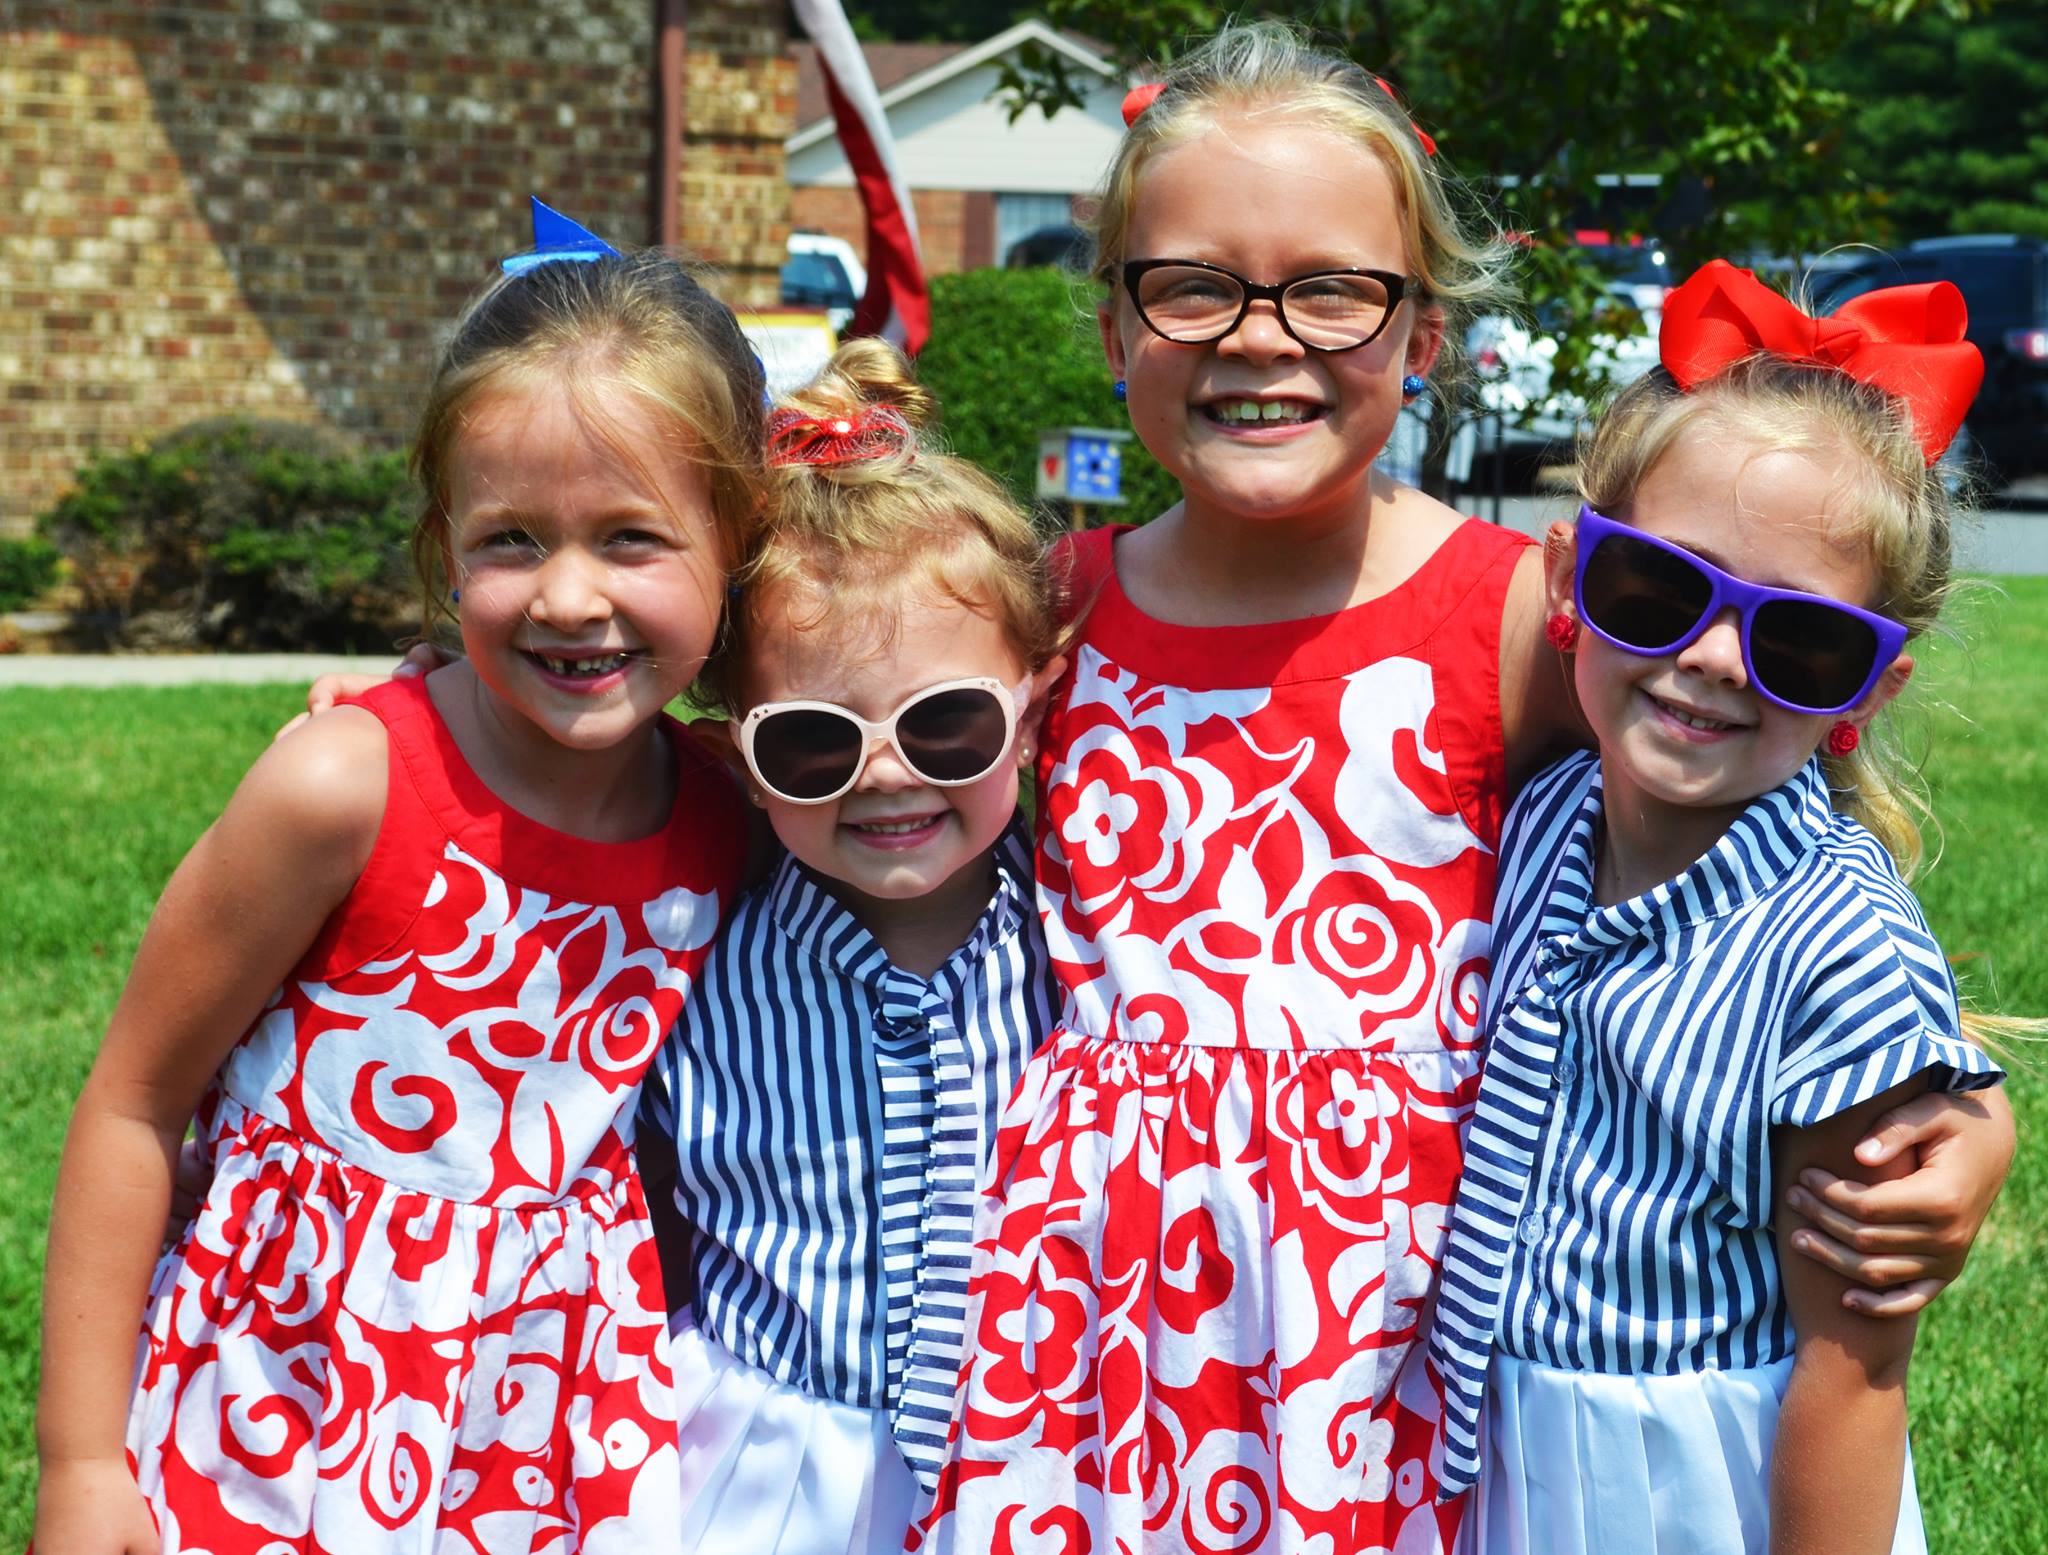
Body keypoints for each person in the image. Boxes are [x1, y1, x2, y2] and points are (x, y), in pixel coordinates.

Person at [914, 26, 2017, 1554]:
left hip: (1392, 1353)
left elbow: (1749, 878)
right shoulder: (1046, 612)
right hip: (1100, 1334)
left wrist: (1952, 1112)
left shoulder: (1519, 619)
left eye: (1332, 289)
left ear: (1422, 334)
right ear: (1114, 321)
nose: (1259, 337)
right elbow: (845, 816)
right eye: (1193, 285)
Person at [33, 238, 766, 1552]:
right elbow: (133, 1101)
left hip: (546, 1423)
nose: (568, 596)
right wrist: (83, 1461)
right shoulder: (342, 786)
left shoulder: (730, 816)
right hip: (279, 1397)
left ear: (740, 536)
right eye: (511, 540)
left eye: (633, 537)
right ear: (442, 545)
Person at [1426, 259, 2016, 1555]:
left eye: (1798, 641)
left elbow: (1851, 1372)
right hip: (1498, 1467)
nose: (1708, 660)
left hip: (1697, 1487)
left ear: (1869, 682)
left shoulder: (1834, 944)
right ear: (1573, 580)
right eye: (1659, 590)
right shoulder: (1539, 813)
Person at [636, 338, 1070, 1555]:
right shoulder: (693, 927)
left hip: (1027, 1461)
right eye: (815, 746)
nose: (885, 774)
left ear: (1032, 711)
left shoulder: (1092, 935)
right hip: (764, 1468)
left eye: (945, 726)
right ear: (735, 745)